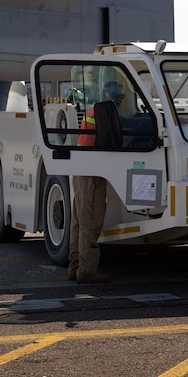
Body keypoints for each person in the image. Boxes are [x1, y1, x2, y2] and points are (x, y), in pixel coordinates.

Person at [69, 81, 125, 283]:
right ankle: (87, 271)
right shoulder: (105, 112)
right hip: (92, 172)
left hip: (83, 168)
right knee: (90, 222)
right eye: (116, 96)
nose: (118, 100)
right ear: (105, 93)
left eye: (120, 97)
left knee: (79, 221)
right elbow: (129, 125)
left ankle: (75, 266)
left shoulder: (94, 110)